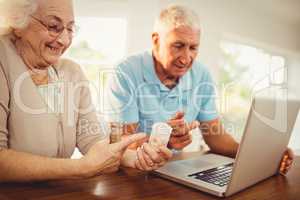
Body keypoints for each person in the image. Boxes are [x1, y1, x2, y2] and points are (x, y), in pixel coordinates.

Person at [105, 5, 294, 174]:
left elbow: (215, 136)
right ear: (155, 41)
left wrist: (260, 154)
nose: (186, 58)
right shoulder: (125, 72)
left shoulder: (201, 74)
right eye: (178, 46)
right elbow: (122, 146)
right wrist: (166, 141)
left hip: (171, 171)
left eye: (193, 48)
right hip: (128, 176)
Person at [0, 0, 172, 183]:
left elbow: (90, 138)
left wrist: (136, 157)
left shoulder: (71, 71)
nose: (65, 40)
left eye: (70, 29)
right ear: (17, 21)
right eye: (53, 26)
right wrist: (82, 167)